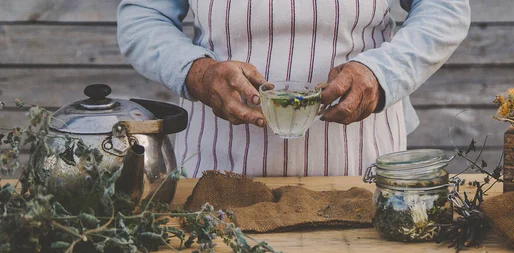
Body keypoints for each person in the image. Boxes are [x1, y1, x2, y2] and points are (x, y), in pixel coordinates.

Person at [117, 0, 470, 177]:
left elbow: (444, 7)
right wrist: (199, 72)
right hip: (215, 167)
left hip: (362, 167)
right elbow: (143, 14)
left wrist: (381, 74)